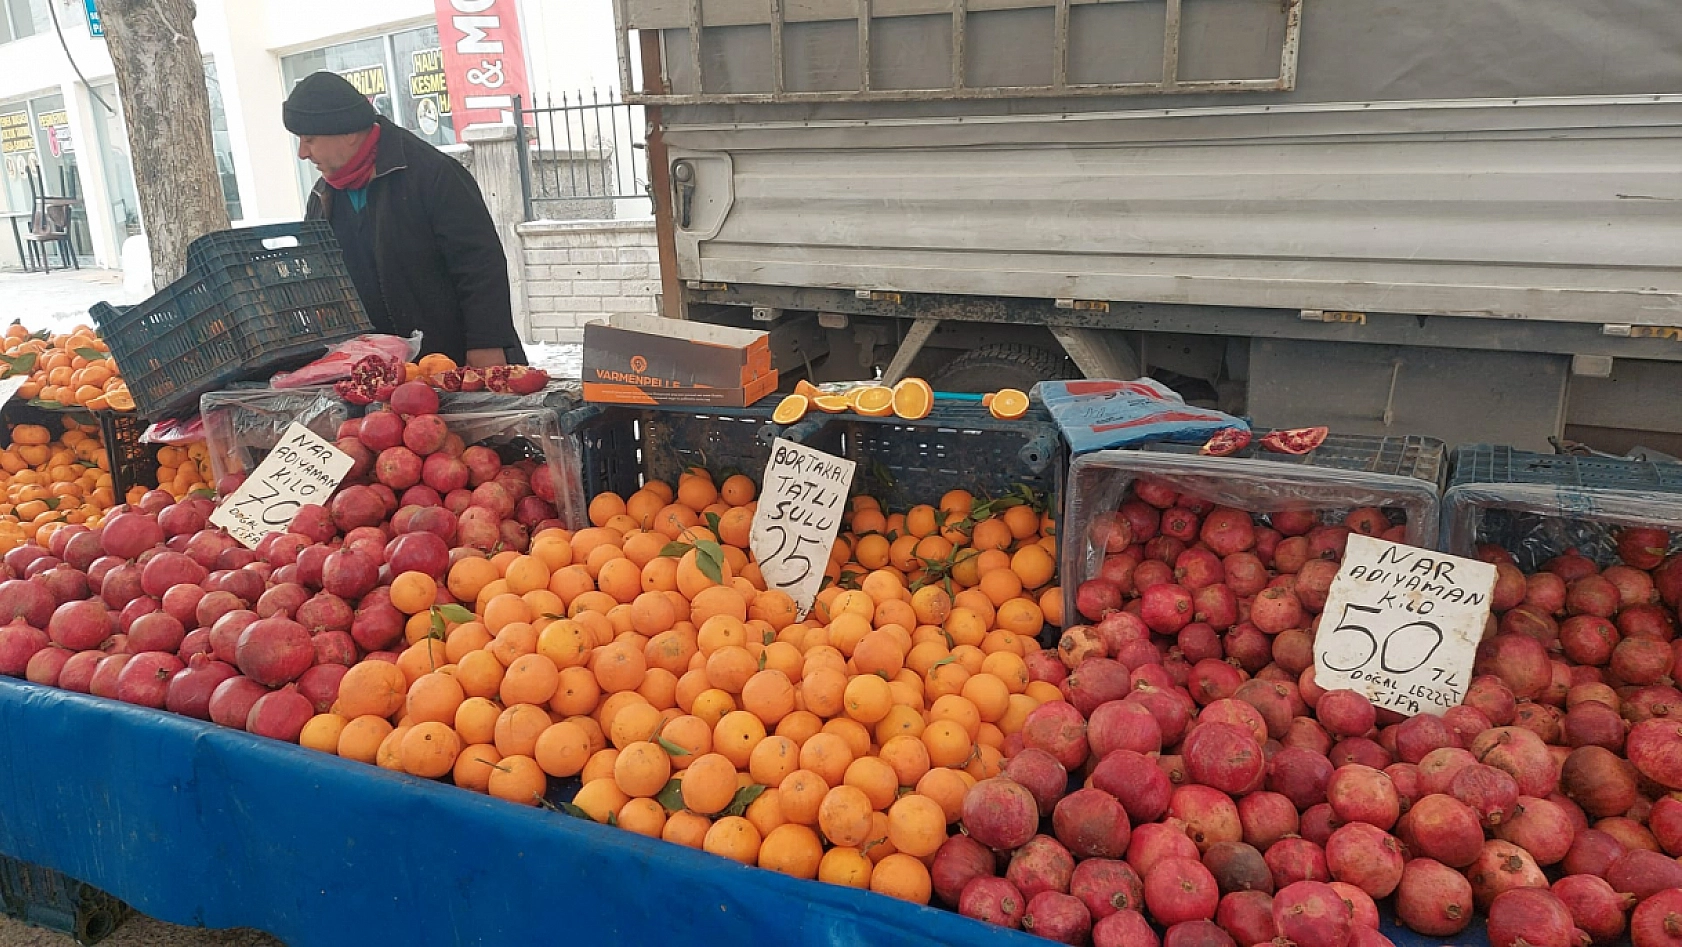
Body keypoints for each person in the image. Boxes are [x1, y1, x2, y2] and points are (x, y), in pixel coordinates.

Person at [283, 70, 525, 367]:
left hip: (453, 361)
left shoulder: (433, 175)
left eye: (309, 139)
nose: (302, 153)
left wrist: (486, 345)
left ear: (346, 132)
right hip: (381, 372)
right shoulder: (323, 198)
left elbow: (479, 266)